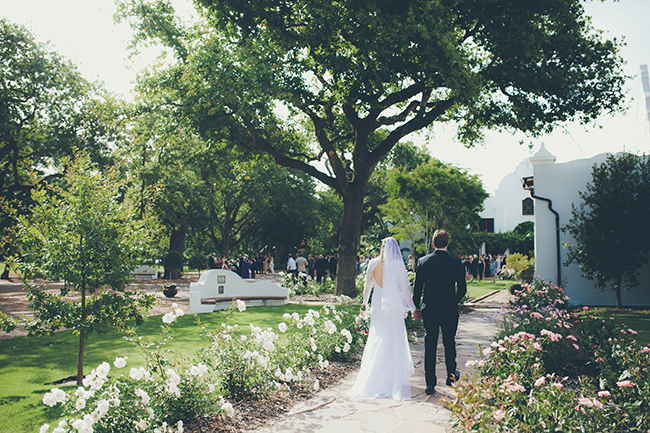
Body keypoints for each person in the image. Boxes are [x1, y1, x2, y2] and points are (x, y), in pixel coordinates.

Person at [349, 237, 417, 400]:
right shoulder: (398, 265)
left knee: (378, 338)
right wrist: (413, 307)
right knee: (394, 340)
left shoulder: (372, 263)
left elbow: (367, 287)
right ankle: (392, 377)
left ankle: (376, 375)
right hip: (393, 307)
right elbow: (404, 290)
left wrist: (364, 304)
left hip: (378, 306)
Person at [412, 229, 467, 395]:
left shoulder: (423, 262)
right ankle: (451, 377)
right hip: (449, 310)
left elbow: (417, 290)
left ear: (433, 243)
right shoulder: (456, 262)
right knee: (449, 343)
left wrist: (416, 308)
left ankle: (430, 383)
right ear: (447, 243)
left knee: (430, 345)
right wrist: (453, 301)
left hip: (430, 309)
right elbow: (462, 290)